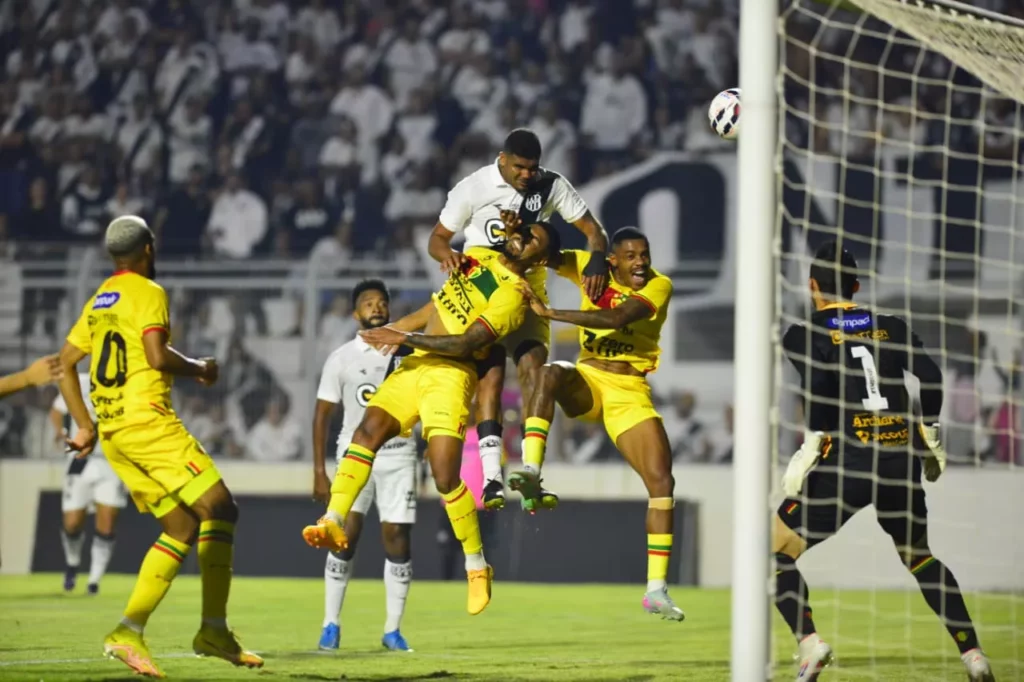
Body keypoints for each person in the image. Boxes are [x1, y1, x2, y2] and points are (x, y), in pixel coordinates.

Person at [302, 221, 562, 617]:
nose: (523, 237)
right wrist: (394, 329)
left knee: (444, 476)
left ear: (539, 259)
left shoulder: (512, 298)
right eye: (526, 231)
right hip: (417, 366)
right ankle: (334, 517)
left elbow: (466, 343)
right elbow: (433, 309)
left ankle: (476, 565)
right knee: (367, 431)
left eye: (534, 241)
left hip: (451, 375)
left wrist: (404, 340)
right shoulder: (478, 260)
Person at [774, 241, 994, 682]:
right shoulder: (890, 325)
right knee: (920, 558)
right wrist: (929, 433)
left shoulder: (803, 333)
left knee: (774, 552)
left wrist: (811, 443)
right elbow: (929, 376)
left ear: (812, 286)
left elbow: (817, 382)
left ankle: (810, 644)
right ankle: (974, 656)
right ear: (856, 286)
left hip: (847, 461)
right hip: (898, 460)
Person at [57, 216, 261, 678]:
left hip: (113, 431)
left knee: (183, 525)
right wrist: (201, 367)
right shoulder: (150, 293)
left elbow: (66, 364)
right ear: (148, 248)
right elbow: (155, 355)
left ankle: (129, 630)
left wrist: (85, 425)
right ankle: (213, 629)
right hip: (148, 424)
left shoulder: (100, 299)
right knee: (221, 507)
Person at [427, 128, 608, 510]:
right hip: (485, 289)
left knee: (533, 369)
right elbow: (437, 238)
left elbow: (594, 231)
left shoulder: (552, 185)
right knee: (490, 379)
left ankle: (531, 473)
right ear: (503, 159)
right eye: (521, 167)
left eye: (533, 168)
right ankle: (492, 480)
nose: (528, 175)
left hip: (529, 289)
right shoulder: (473, 187)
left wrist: (595, 261)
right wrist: (448, 255)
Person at [510, 225, 685, 621]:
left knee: (662, 483)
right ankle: (532, 472)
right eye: (631, 256)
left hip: (629, 390)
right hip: (589, 379)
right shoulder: (591, 270)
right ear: (613, 260)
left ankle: (656, 590)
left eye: (645, 254)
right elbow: (544, 254)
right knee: (549, 372)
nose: (640, 262)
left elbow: (619, 316)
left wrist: (550, 313)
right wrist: (519, 237)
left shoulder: (659, 286)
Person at [312, 279, 417, 652]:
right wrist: (319, 471)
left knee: (398, 540)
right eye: (368, 303)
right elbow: (322, 416)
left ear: (389, 310)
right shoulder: (341, 357)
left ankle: (392, 630)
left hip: (400, 454)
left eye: (381, 302)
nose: (376, 307)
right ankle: (330, 624)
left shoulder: (408, 353)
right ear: (356, 314)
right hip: (353, 456)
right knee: (344, 537)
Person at [51, 372, 128, 595]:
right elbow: (56, 409)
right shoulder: (80, 381)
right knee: (72, 523)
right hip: (80, 460)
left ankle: (94, 580)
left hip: (111, 462)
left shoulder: (124, 384)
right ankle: (72, 563)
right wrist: (60, 432)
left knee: (106, 523)